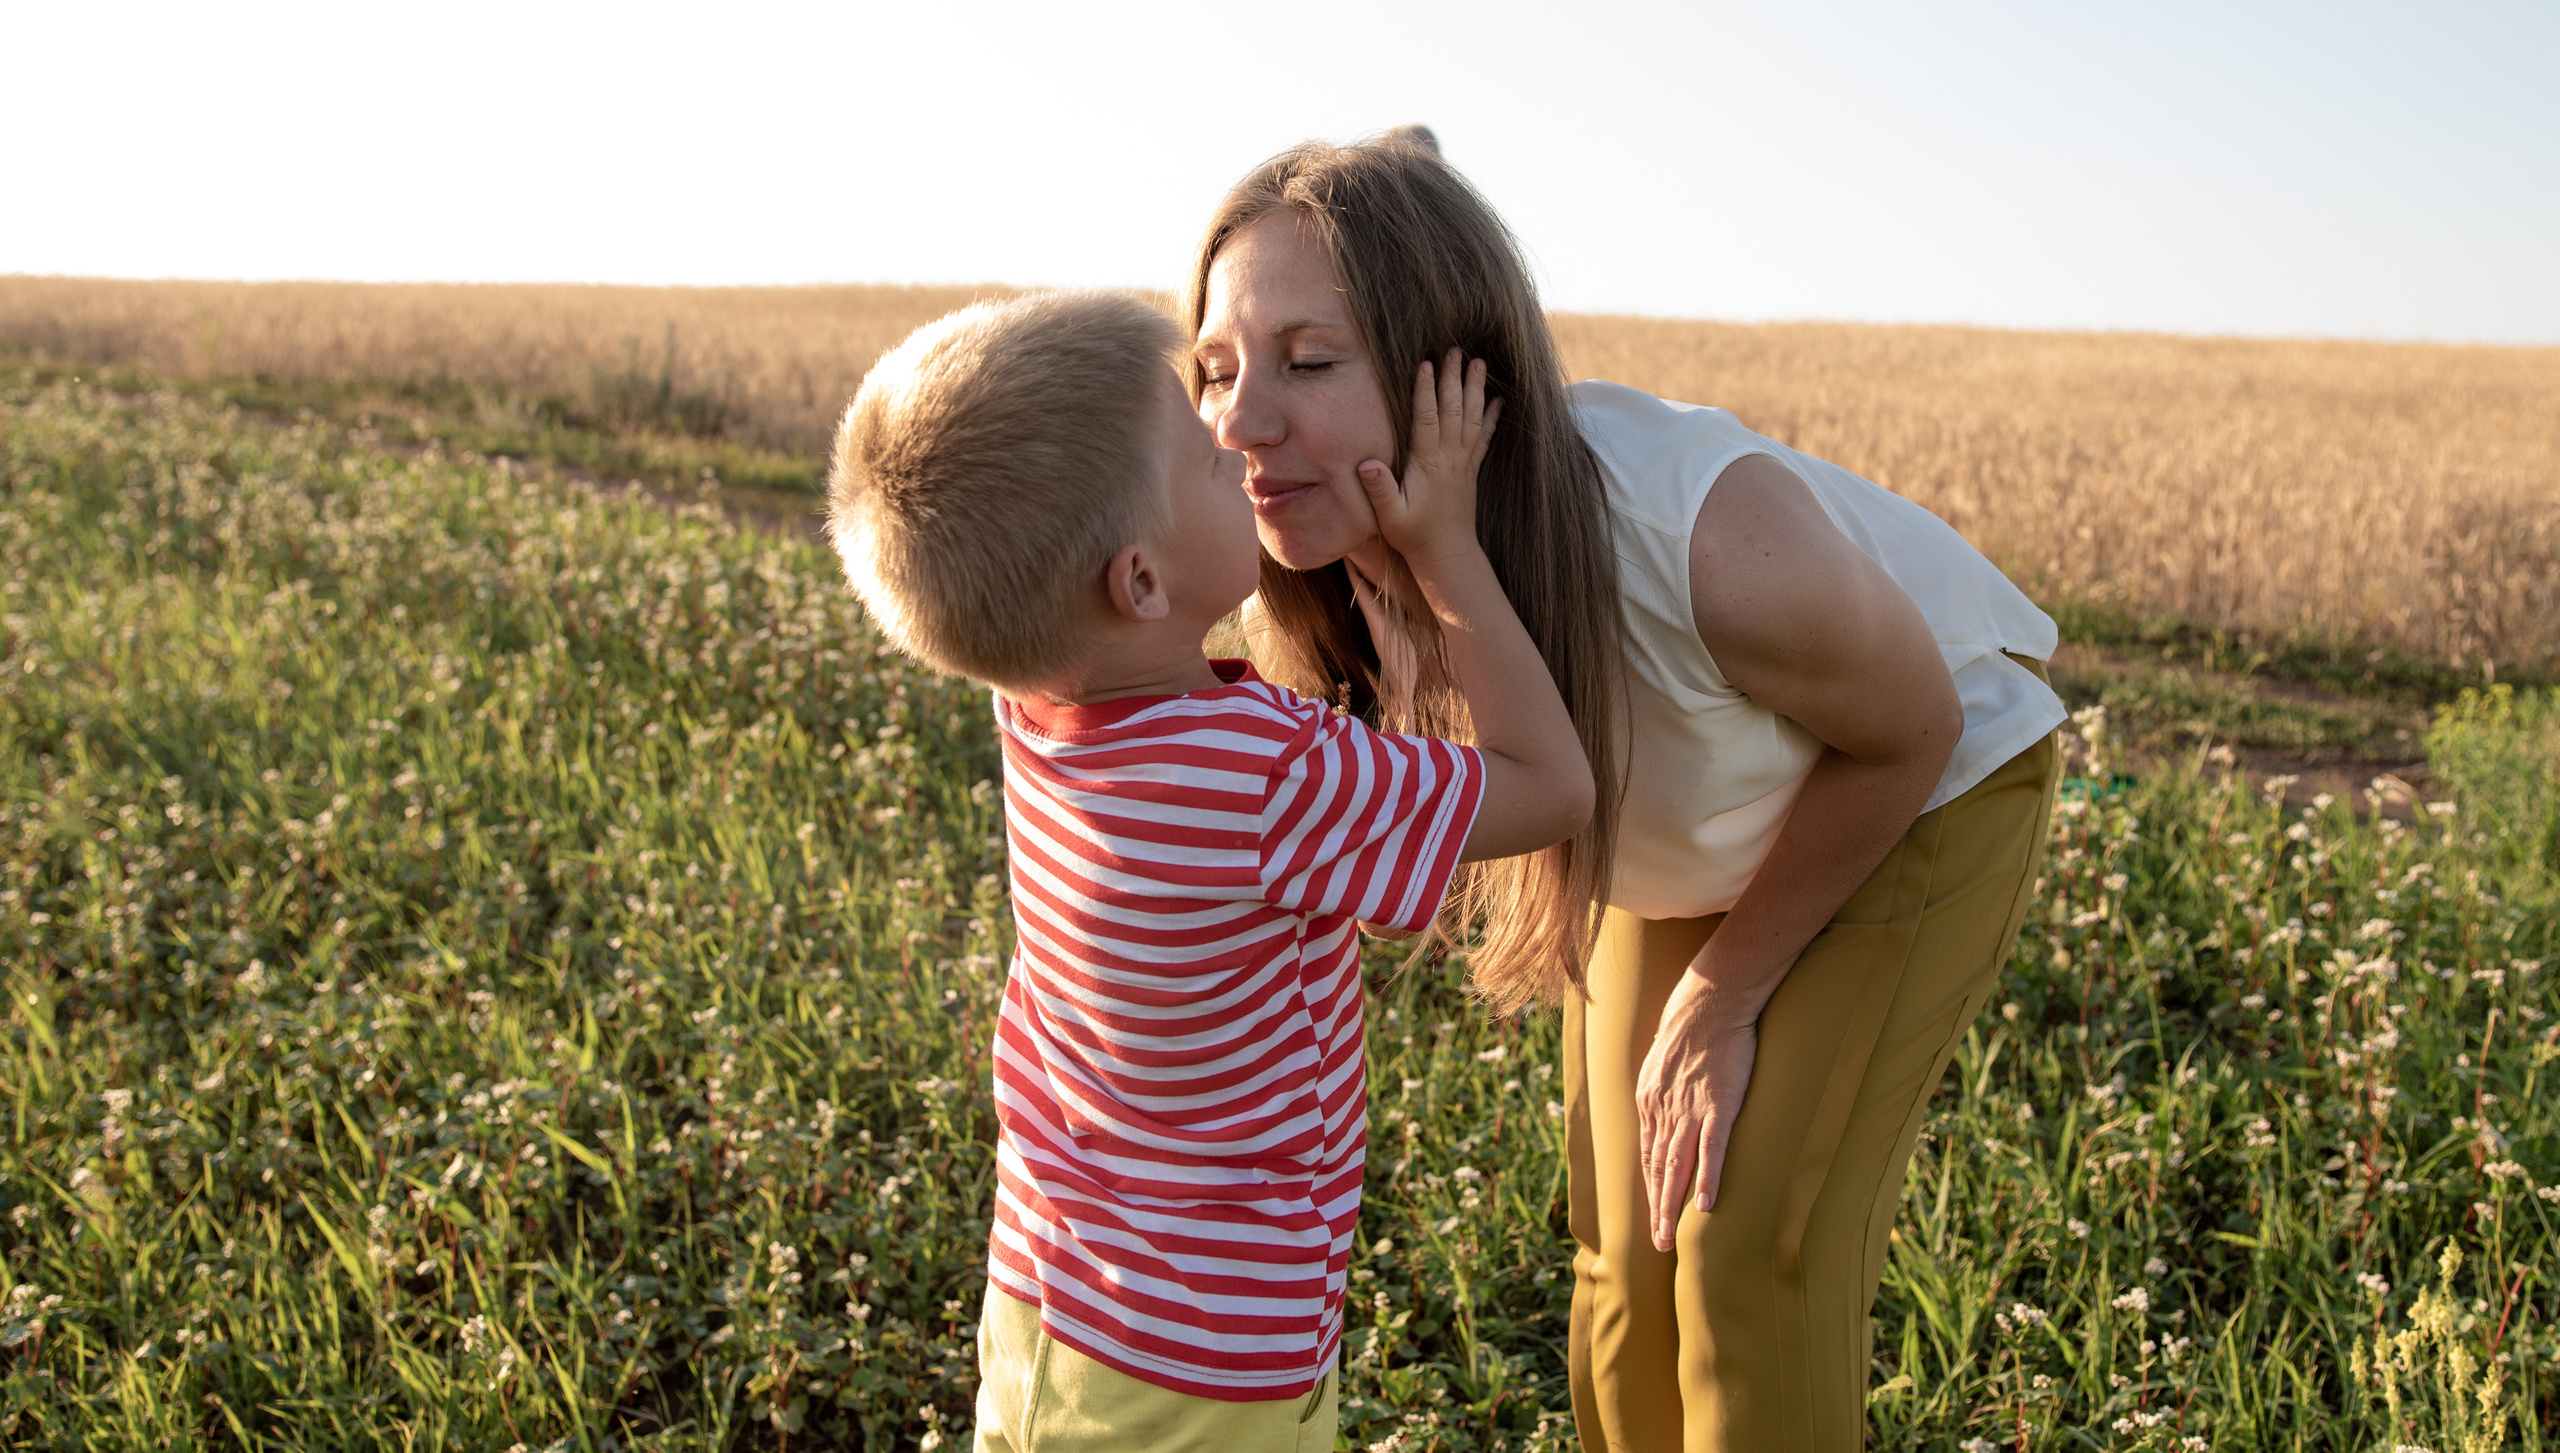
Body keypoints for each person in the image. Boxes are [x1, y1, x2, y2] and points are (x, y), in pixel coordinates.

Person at [1187, 135, 2066, 1453]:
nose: (1242, 421)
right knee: (1621, 1246)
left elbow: (1913, 726)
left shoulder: (1692, 535)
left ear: (1455, 374)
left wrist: (1722, 996)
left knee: (1740, 1242)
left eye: (1308, 362)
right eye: (1216, 369)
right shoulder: (1318, 587)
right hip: (1681, 837)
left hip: (1914, 787)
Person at [824, 289, 1595, 1452]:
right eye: (1201, 449)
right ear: (1138, 583)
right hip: (1208, 1358)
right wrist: (1443, 549)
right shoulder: (1265, 774)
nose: (1235, 438)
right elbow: (1550, 785)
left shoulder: (1033, 698)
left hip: (1045, 1293)